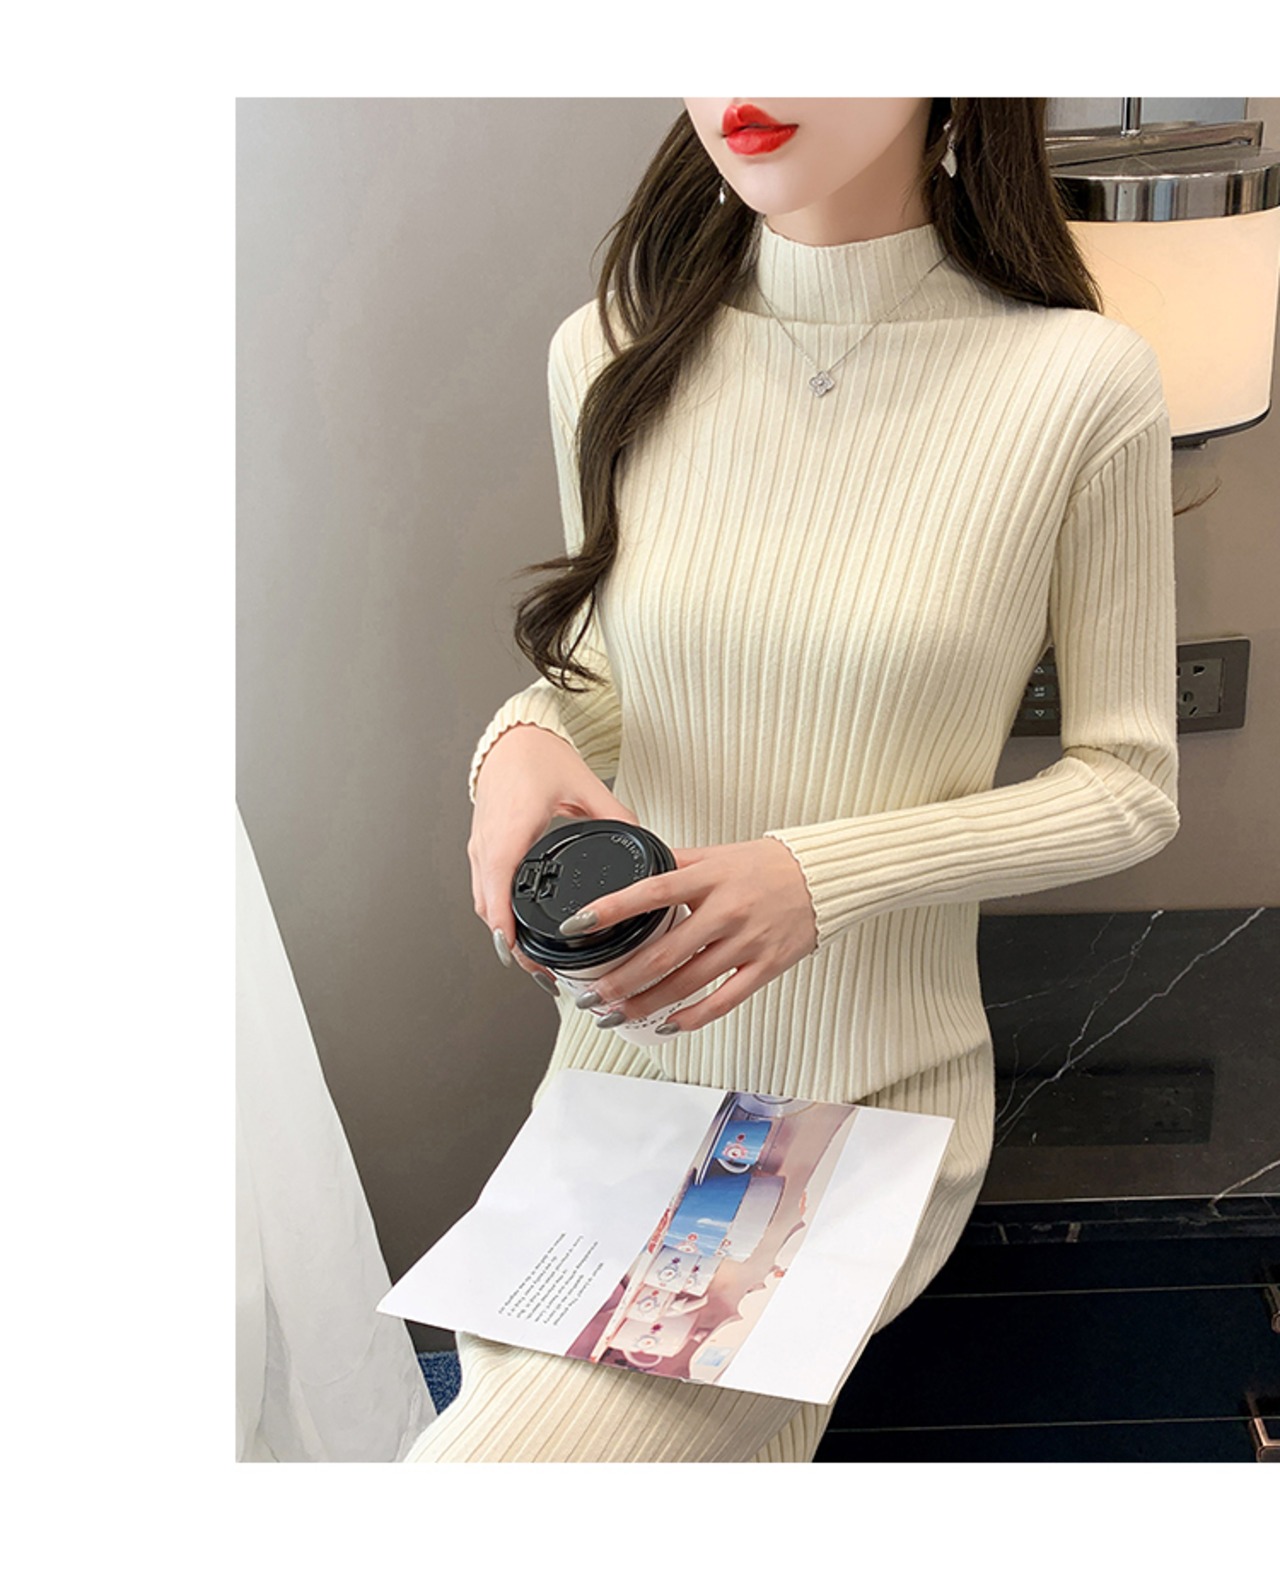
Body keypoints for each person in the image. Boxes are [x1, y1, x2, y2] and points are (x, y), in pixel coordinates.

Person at [404, 98, 1181, 1463]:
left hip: (867, 1099)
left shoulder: (1078, 380)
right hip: (616, 1079)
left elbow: (1129, 783)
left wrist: (820, 874)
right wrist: (515, 743)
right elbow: (606, 680)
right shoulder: (609, 353)